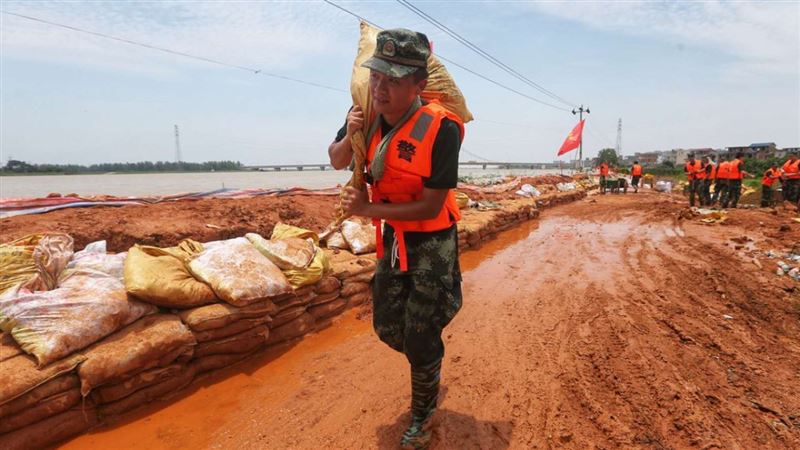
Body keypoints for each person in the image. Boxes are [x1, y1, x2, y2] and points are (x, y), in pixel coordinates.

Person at [328, 28, 463, 449]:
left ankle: (422, 414)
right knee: (389, 328)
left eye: (393, 80)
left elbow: (429, 206)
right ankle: (430, 360)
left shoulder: (442, 129)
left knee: (420, 334)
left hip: (432, 242)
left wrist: (367, 210)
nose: (381, 88)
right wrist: (349, 136)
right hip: (394, 240)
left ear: (419, 85)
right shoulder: (365, 112)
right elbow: (335, 161)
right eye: (377, 77)